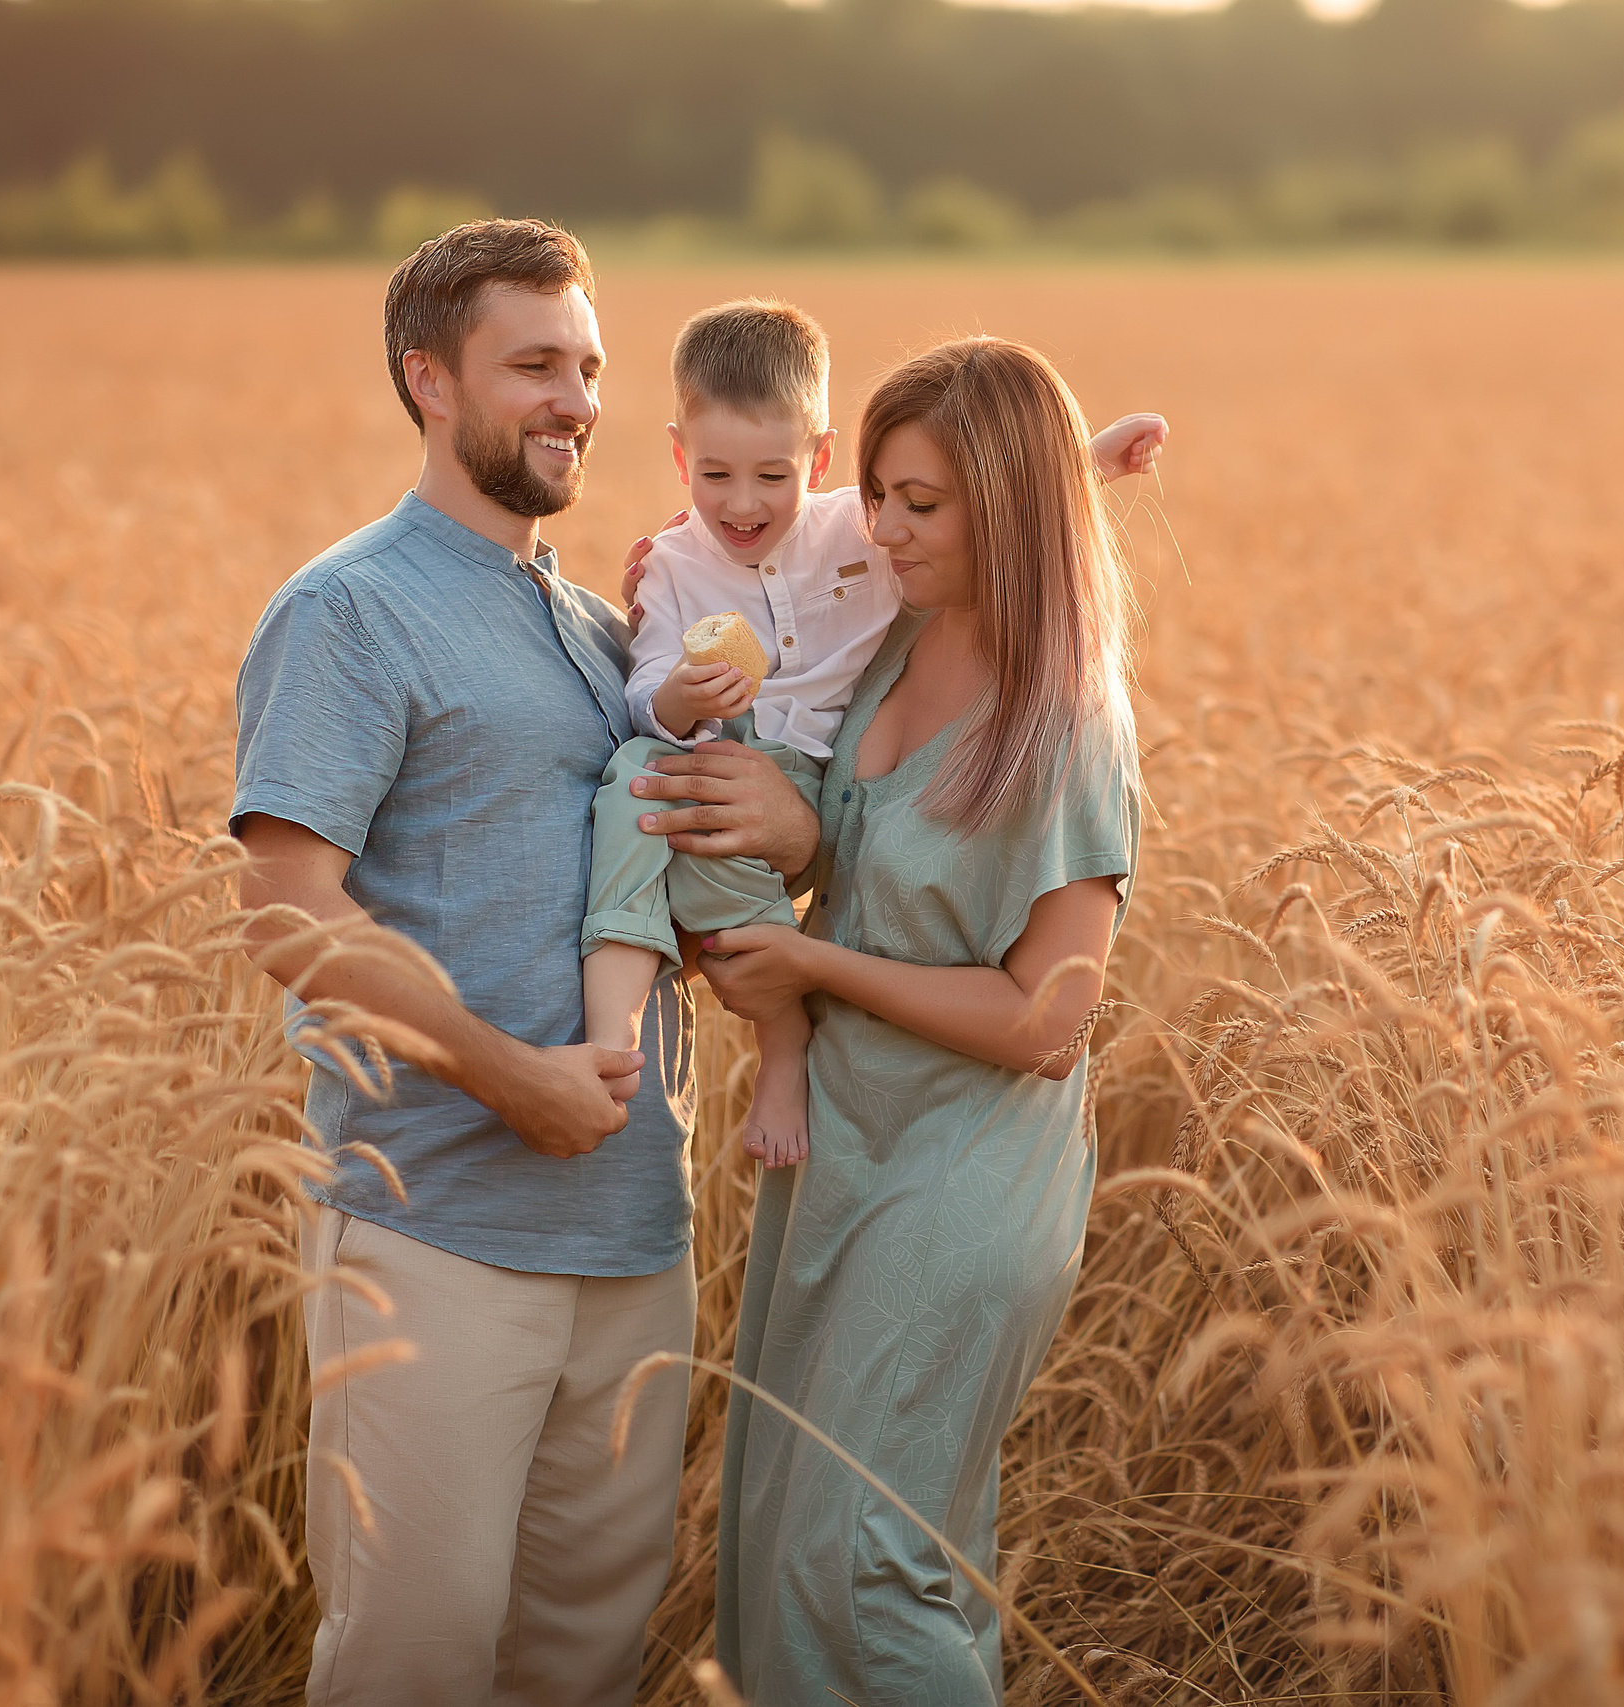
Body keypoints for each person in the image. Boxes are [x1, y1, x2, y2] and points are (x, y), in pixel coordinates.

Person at [229, 219, 820, 1707]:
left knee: (583, 1660)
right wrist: (510, 1078)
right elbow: (291, 912)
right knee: (415, 1661)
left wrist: (781, 841)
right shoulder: (348, 609)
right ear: (430, 380)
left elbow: (666, 878)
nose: (577, 399)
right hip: (438, 1228)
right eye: (535, 364)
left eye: (593, 366)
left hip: (633, 1232)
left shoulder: (606, 626)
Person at [689, 336, 1150, 1705]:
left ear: (1004, 509)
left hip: (965, 1172)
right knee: (801, 1531)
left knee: (861, 1555)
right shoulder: (895, 634)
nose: (884, 527)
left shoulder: (1066, 719)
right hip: (844, 1152)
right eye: (881, 492)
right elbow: (764, 524)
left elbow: (1047, 1018)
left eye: (923, 503)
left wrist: (817, 970)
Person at [586, 299, 1164, 1170]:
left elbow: (992, 506)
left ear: (816, 462)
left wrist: (1083, 467)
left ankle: (775, 1049)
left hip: (819, 791)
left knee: (709, 858)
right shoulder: (687, 567)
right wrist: (675, 690)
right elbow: (647, 693)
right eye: (715, 478)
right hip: (722, 763)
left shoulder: (857, 538)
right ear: (680, 459)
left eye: (772, 478)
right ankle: (611, 1030)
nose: (742, 505)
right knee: (639, 790)